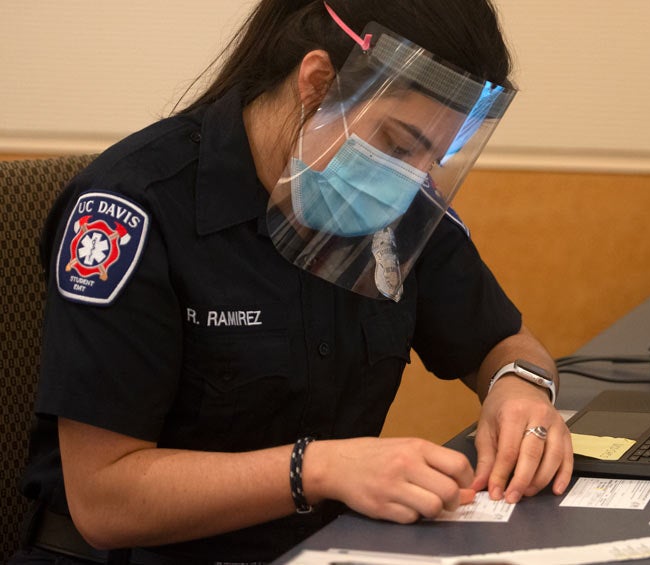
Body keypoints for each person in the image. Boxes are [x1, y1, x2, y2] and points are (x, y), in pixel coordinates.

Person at [11, 1, 572, 563]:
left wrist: (519, 389)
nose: (408, 181)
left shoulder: (394, 208)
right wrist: (320, 468)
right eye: (399, 145)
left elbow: (505, 344)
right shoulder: (133, 209)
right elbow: (105, 500)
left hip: (319, 549)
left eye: (432, 157)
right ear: (317, 83)